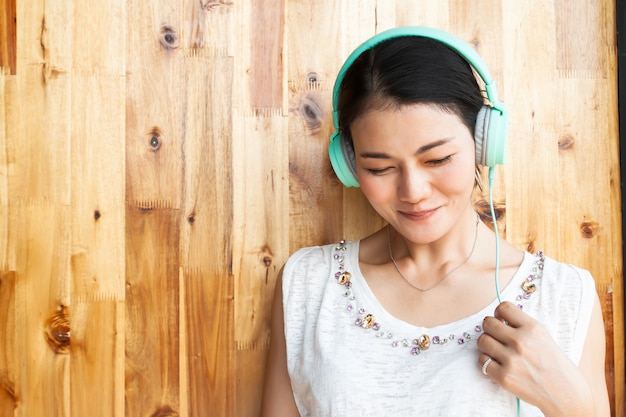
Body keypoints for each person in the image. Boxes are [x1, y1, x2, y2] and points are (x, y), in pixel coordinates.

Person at [261, 26, 610, 417]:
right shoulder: (310, 283)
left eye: (437, 159)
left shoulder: (564, 295)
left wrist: (573, 406)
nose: (413, 191)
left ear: (484, 142)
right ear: (349, 165)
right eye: (380, 167)